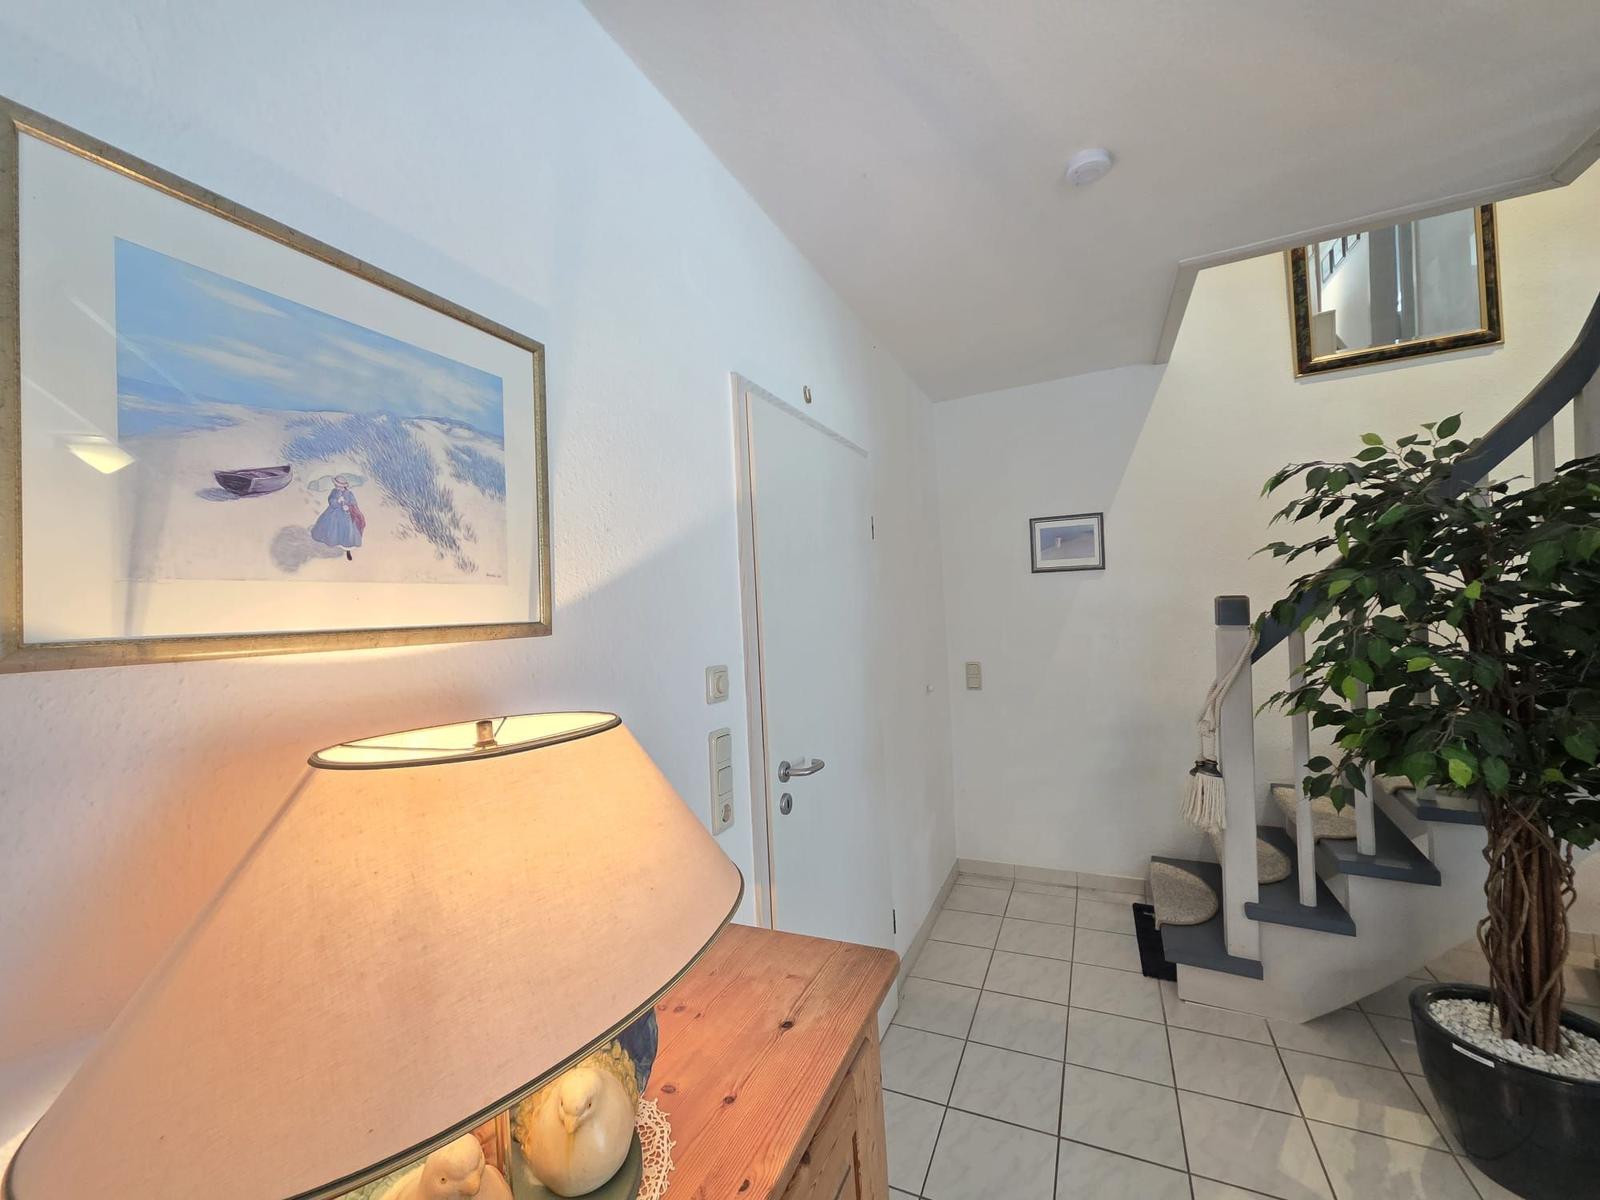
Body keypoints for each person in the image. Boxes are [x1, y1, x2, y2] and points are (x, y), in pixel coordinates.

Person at [310, 475, 366, 560]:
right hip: (334, 513)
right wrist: (337, 501)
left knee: (347, 531)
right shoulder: (334, 491)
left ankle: (348, 550)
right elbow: (330, 500)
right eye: (336, 485)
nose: (337, 487)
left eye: (339, 486)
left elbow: (354, 503)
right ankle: (332, 543)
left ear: (344, 486)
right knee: (332, 529)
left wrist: (348, 507)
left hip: (346, 516)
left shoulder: (349, 493)